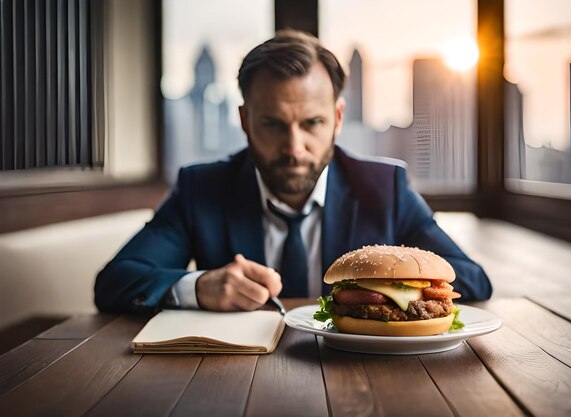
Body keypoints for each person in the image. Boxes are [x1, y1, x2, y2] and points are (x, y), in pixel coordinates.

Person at [95, 30, 492, 313]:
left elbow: (473, 279)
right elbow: (115, 281)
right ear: (246, 121)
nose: (294, 147)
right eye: (273, 124)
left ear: (337, 119)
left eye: (312, 123)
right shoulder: (201, 188)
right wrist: (198, 287)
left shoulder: (385, 186)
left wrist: (389, 287)